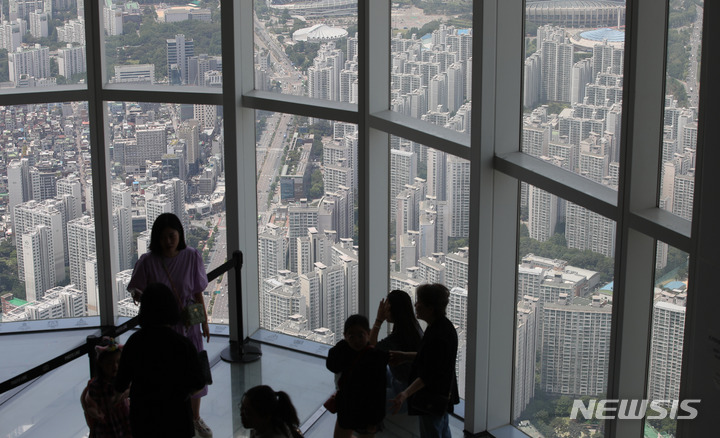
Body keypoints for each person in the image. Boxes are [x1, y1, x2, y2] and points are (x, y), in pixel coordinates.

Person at [127, 212, 212, 437]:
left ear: (180, 234)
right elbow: (138, 292)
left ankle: (194, 417)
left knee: (194, 371)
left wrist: (203, 321)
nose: (168, 241)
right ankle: (176, 416)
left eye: (172, 235)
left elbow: (197, 291)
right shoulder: (148, 262)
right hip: (161, 326)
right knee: (167, 371)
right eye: (164, 237)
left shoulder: (192, 256)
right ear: (156, 238)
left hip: (188, 324)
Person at [115, 282, 206, 438]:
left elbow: (120, 383)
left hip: (144, 420)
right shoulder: (183, 345)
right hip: (177, 420)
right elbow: (198, 384)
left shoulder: (134, 342)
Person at [389, 283, 459, 438]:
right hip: (442, 393)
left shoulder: (437, 335)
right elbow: (431, 358)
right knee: (442, 429)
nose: (415, 305)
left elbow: (428, 374)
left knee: (432, 432)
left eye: (419, 301)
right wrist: (404, 356)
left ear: (430, 308)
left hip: (432, 397)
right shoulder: (442, 327)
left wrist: (405, 394)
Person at [326, 314, 389, 438]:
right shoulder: (343, 351)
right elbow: (332, 366)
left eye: (360, 335)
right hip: (349, 408)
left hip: (363, 411)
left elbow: (379, 392)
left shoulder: (375, 358)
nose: (356, 340)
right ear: (345, 336)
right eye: (351, 336)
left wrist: (375, 420)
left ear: (368, 333)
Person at [370, 290, 423, 412]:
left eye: (387, 308)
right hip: (407, 384)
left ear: (395, 311)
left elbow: (371, 349)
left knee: (365, 398)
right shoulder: (413, 328)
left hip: (403, 391)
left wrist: (379, 320)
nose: (384, 311)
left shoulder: (398, 338)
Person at [81, 337, 132, 438]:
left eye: (118, 362)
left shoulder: (123, 378)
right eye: (109, 363)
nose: (115, 367)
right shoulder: (95, 386)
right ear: (100, 364)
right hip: (107, 427)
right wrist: (96, 414)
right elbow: (90, 405)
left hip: (124, 422)